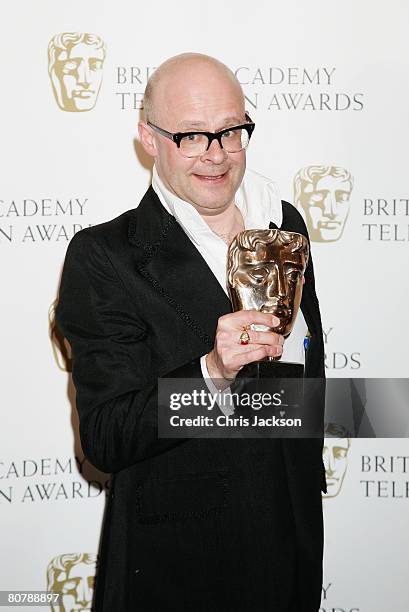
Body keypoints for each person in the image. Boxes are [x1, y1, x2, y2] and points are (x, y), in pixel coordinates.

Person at [56, 52, 326, 612]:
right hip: (181, 568)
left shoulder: (286, 224)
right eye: (192, 136)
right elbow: (106, 437)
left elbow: (301, 386)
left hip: (294, 548)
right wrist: (212, 373)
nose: (218, 154)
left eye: (232, 131)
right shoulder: (106, 256)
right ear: (149, 138)